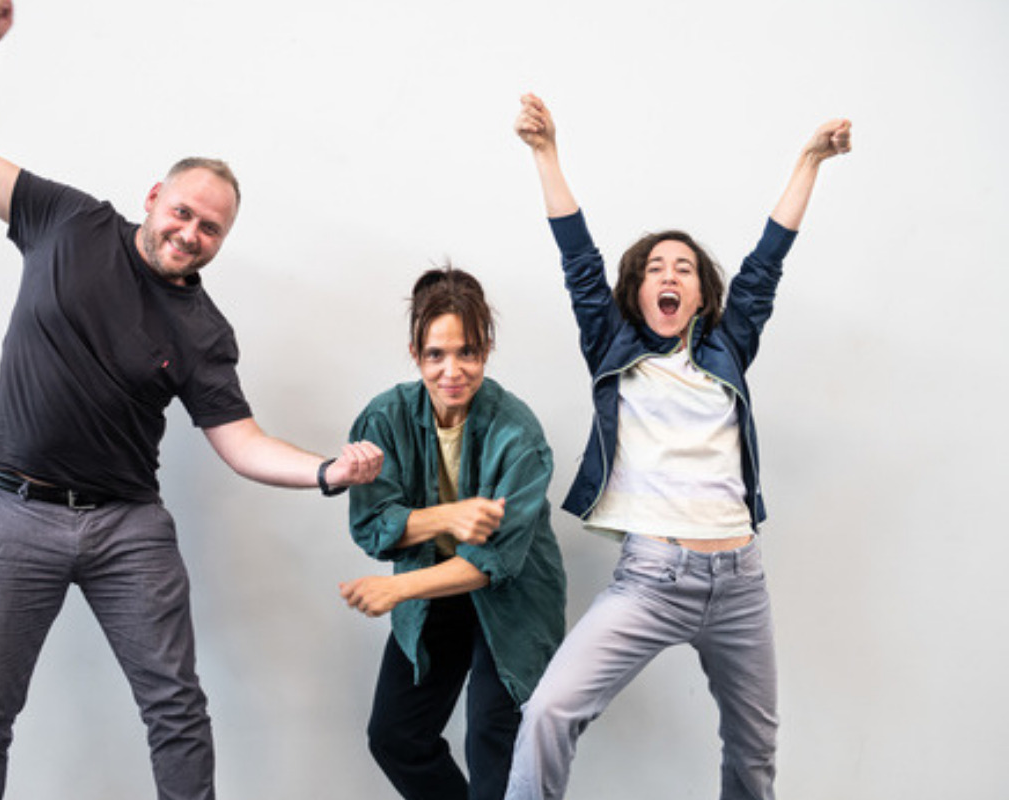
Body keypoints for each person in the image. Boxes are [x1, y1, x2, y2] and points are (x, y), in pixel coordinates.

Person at [0, 2, 383, 799]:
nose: (190, 234)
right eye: (183, 212)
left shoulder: (202, 328)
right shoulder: (66, 222)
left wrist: (325, 471)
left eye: (210, 229)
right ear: (152, 197)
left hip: (125, 527)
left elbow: (241, 441)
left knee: (176, 708)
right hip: (15, 513)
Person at [506, 94, 851, 800]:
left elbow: (767, 262)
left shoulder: (729, 345)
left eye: (685, 268)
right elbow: (578, 256)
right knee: (548, 711)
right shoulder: (612, 346)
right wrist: (546, 153)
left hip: (740, 582)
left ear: (702, 295)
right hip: (653, 579)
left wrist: (808, 161)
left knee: (754, 756)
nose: (670, 275)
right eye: (656, 267)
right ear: (636, 290)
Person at [339, 267, 567, 800]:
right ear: (415, 353)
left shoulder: (520, 435)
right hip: (432, 591)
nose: (452, 370)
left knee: (493, 740)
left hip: (509, 602)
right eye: (436, 354)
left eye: (467, 352)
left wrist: (394, 588)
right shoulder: (384, 418)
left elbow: (492, 565)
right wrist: (447, 516)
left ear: (486, 349)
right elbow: (372, 526)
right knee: (396, 735)